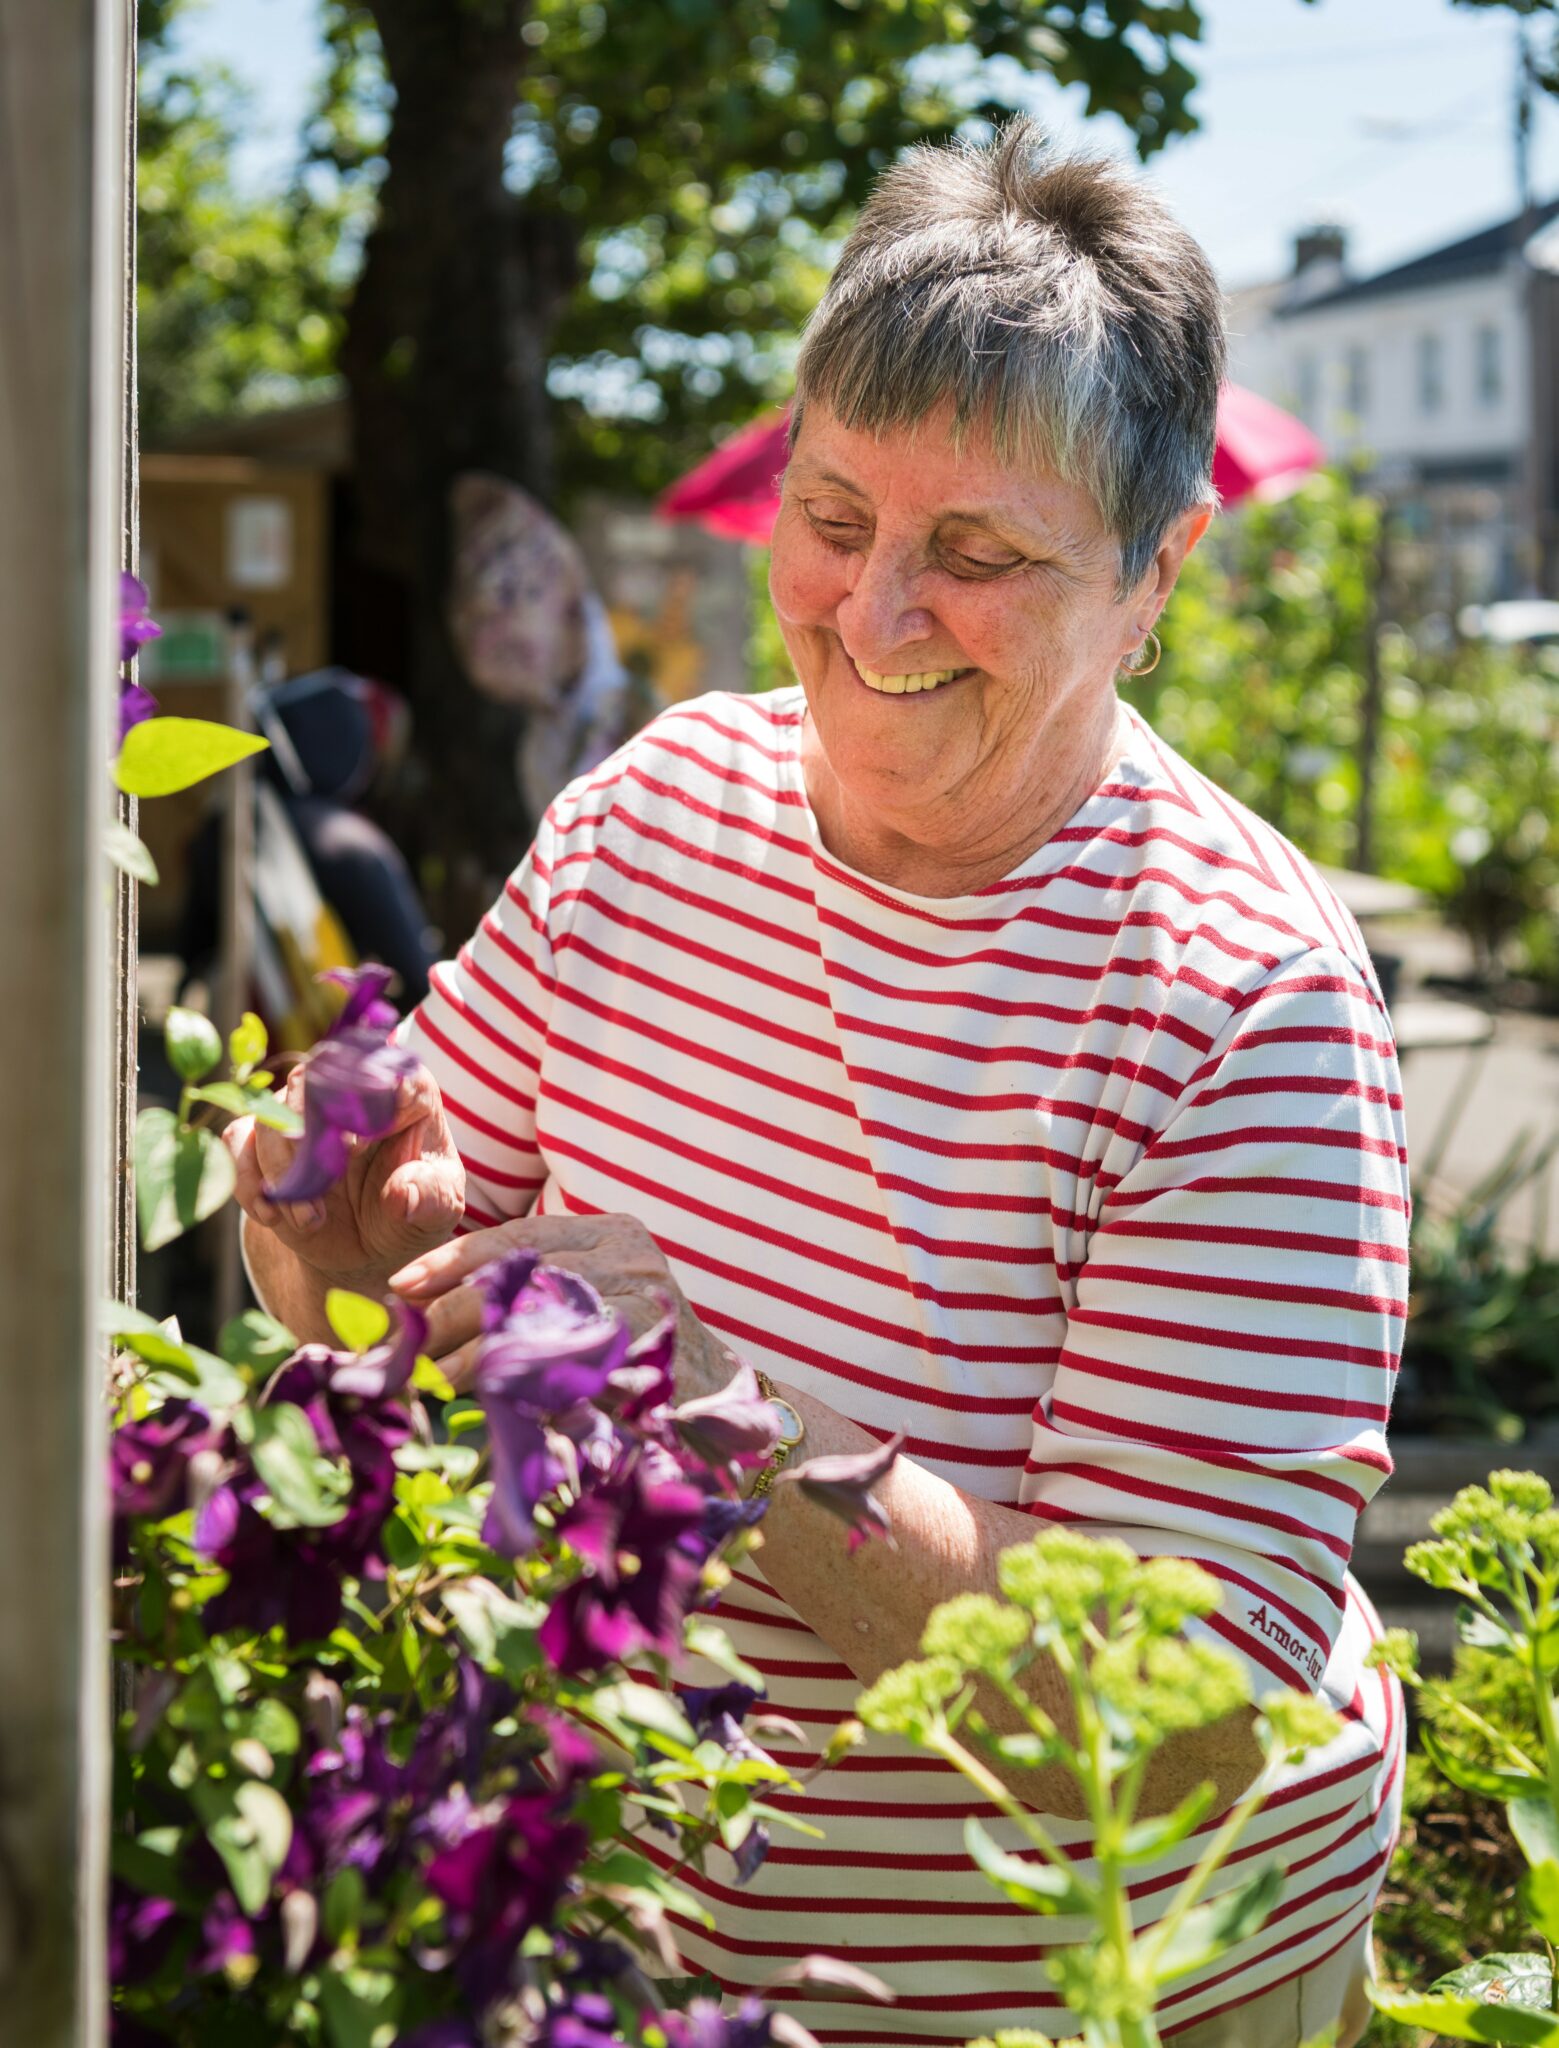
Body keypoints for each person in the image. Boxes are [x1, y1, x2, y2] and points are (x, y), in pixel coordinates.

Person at [230, 120, 1404, 2048]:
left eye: (980, 555)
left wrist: (712, 1405)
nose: (869, 619)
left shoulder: (1239, 1002)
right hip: (634, 1958)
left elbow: (1179, 1724)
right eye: (838, 520)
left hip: (1076, 1999)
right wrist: (346, 1248)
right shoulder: (653, 811)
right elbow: (412, 1269)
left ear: (1159, 567)